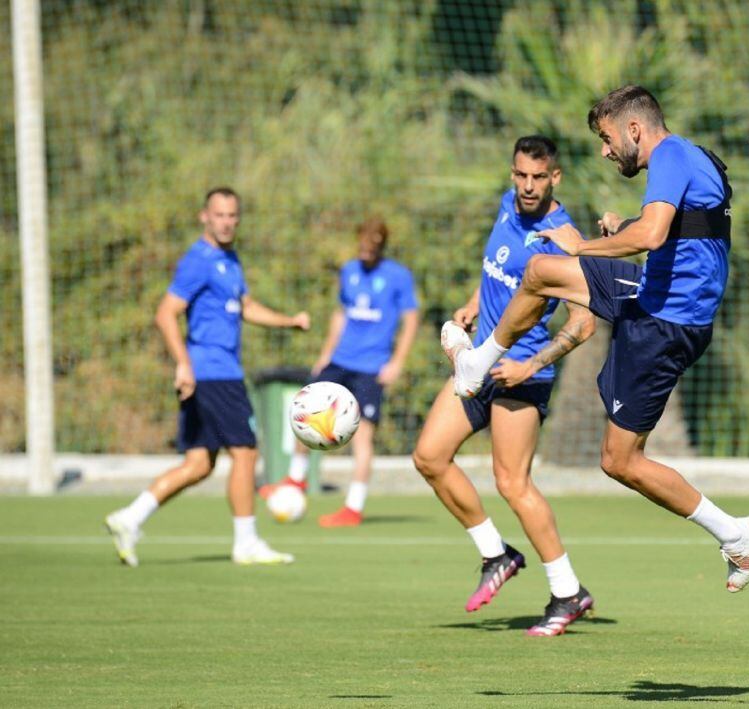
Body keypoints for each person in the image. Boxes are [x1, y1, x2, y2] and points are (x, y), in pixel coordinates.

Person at [447, 87, 749, 596]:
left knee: (620, 461)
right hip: (650, 295)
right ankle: (477, 364)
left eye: (606, 138)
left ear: (634, 130)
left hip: (666, 324)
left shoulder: (667, 156)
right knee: (539, 271)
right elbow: (682, 229)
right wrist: (624, 225)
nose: (605, 150)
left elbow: (652, 237)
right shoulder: (692, 156)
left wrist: (587, 245)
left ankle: (735, 534)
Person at [417, 135, 597, 637]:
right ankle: (496, 554)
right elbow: (497, 270)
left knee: (512, 483)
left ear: (555, 178)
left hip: (523, 372)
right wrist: (475, 304)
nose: (528, 186)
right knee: (430, 457)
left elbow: (583, 325)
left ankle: (568, 591)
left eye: (539, 178)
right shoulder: (507, 206)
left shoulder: (562, 238)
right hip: (479, 362)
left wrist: (529, 365)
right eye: (520, 175)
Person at [105, 187, 309, 566]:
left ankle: (129, 518)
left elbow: (246, 306)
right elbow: (165, 313)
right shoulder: (198, 261)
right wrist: (183, 363)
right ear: (205, 216)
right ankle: (246, 542)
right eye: (219, 215)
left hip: (217, 372)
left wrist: (289, 321)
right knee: (246, 451)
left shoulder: (230, 260)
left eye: (233, 215)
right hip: (213, 372)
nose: (227, 222)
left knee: (199, 464)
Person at [259, 218, 419, 527]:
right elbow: (341, 315)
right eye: (361, 246)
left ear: (381, 246)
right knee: (305, 412)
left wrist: (397, 362)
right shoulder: (349, 271)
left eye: (371, 248)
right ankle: (295, 479)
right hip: (340, 360)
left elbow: (411, 320)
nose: (364, 253)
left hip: (371, 368)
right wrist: (325, 355)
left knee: (362, 436)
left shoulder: (398, 276)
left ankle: (353, 508)